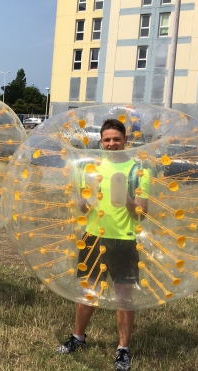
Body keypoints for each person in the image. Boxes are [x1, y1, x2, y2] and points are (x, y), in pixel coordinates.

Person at [56, 119, 150, 371]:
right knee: (88, 291)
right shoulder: (91, 168)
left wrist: (127, 199)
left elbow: (142, 213)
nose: (111, 144)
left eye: (116, 139)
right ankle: (78, 337)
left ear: (125, 141)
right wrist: (81, 196)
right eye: (107, 140)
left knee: (124, 297)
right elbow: (84, 208)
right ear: (101, 141)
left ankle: (122, 349)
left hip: (125, 239)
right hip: (93, 237)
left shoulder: (138, 170)